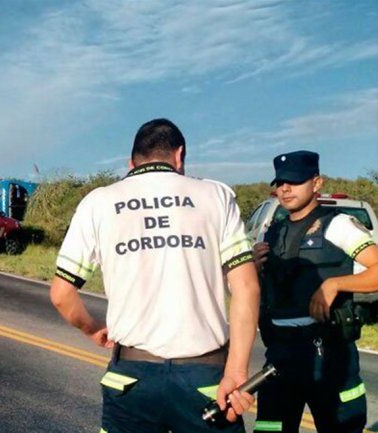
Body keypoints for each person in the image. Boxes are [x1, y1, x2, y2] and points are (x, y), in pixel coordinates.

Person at [49, 118, 260, 433]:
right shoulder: (215, 196)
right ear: (179, 155)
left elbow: (61, 294)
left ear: (131, 162)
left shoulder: (98, 202)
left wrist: (92, 329)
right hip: (205, 377)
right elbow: (246, 287)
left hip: (131, 378)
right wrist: (237, 372)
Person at [251, 151, 378, 433]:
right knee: (270, 429)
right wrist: (255, 269)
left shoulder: (339, 224)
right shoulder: (273, 233)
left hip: (329, 355)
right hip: (280, 356)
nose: (285, 188)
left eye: (295, 181)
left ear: (317, 183)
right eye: (280, 182)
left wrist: (334, 284)